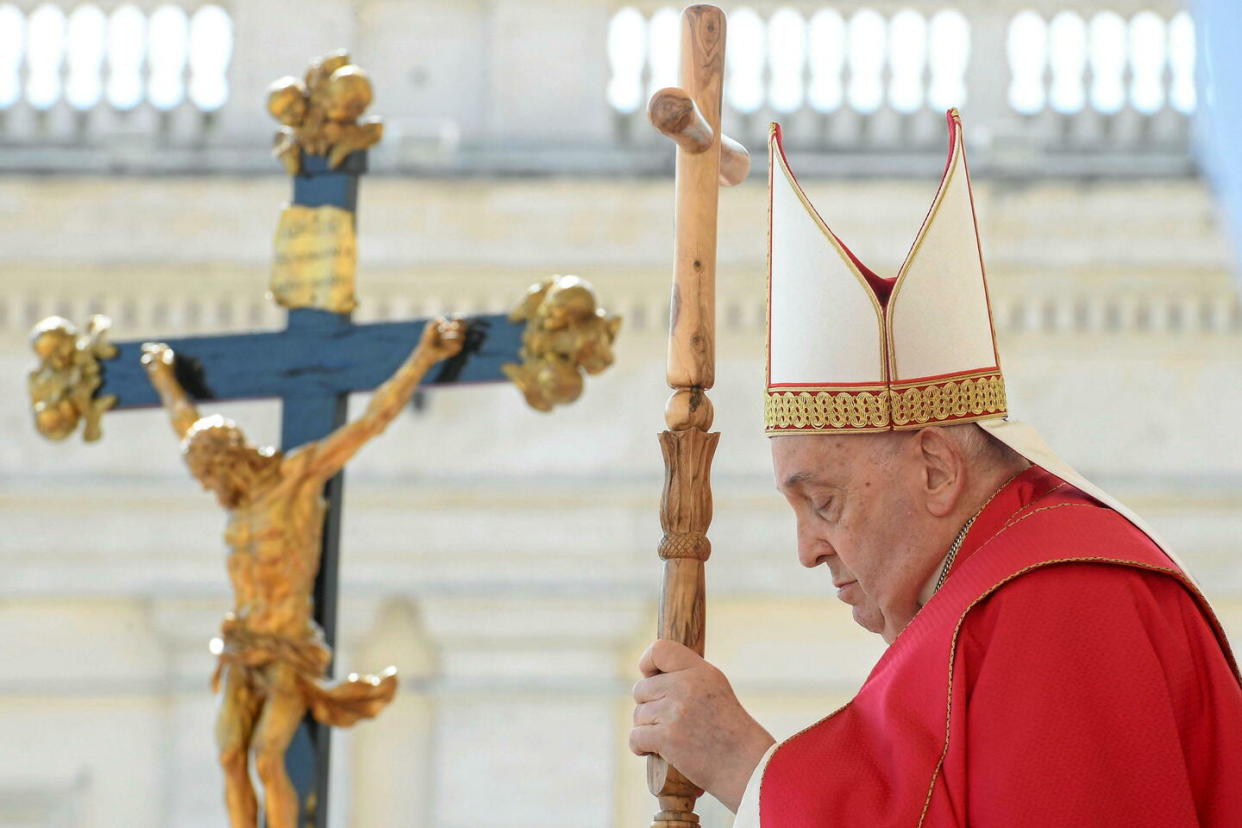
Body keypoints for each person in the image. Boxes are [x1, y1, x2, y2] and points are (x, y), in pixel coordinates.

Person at [630, 111, 1242, 826]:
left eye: (823, 502)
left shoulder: (1061, 599)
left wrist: (746, 767)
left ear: (934, 469)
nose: (806, 551)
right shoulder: (992, 600)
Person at [142, 318, 465, 828]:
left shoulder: (295, 480)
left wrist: (424, 357)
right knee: (230, 756)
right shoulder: (238, 498)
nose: (210, 488)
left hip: (288, 647)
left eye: (212, 475)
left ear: (233, 460)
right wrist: (164, 380)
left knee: (269, 758)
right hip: (243, 646)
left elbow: (370, 422)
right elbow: (188, 425)